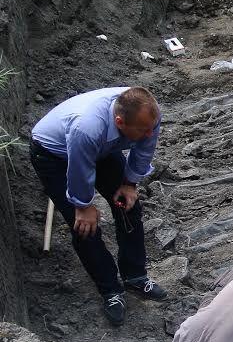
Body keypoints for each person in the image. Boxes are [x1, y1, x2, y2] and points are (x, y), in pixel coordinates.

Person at [30, 86, 167, 327]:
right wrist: (83, 206)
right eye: (142, 130)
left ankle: (134, 275)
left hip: (102, 148)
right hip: (54, 155)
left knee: (128, 206)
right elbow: (79, 170)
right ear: (119, 122)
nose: (149, 134)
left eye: (150, 128)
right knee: (84, 227)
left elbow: (145, 150)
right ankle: (110, 291)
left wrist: (130, 183)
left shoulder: (149, 115)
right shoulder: (87, 128)